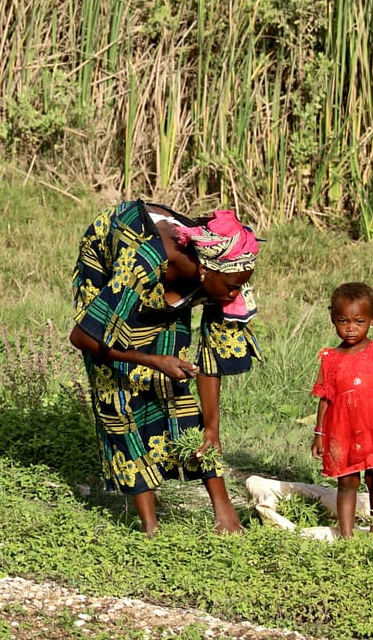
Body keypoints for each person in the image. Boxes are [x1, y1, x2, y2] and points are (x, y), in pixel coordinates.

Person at [70, 199, 261, 535]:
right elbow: (82, 338)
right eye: (231, 287)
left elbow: (210, 358)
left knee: (175, 387)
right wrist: (151, 360)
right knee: (117, 391)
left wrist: (212, 428)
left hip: (172, 281)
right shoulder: (143, 261)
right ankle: (149, 525)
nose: (236, 295)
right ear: (205, 270)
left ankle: (225, 517)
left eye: (239, 286)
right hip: (112, 256)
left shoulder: (226, 276)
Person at [310, 281, 373, 538]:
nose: (351, 329)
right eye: (343, 321)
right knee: (346, 482)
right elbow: (325, 399)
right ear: (332, 318)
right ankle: (347, 538)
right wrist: (319, 433)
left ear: (372, 320)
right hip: (343, 431)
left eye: (359, 322)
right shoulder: (330, 359)